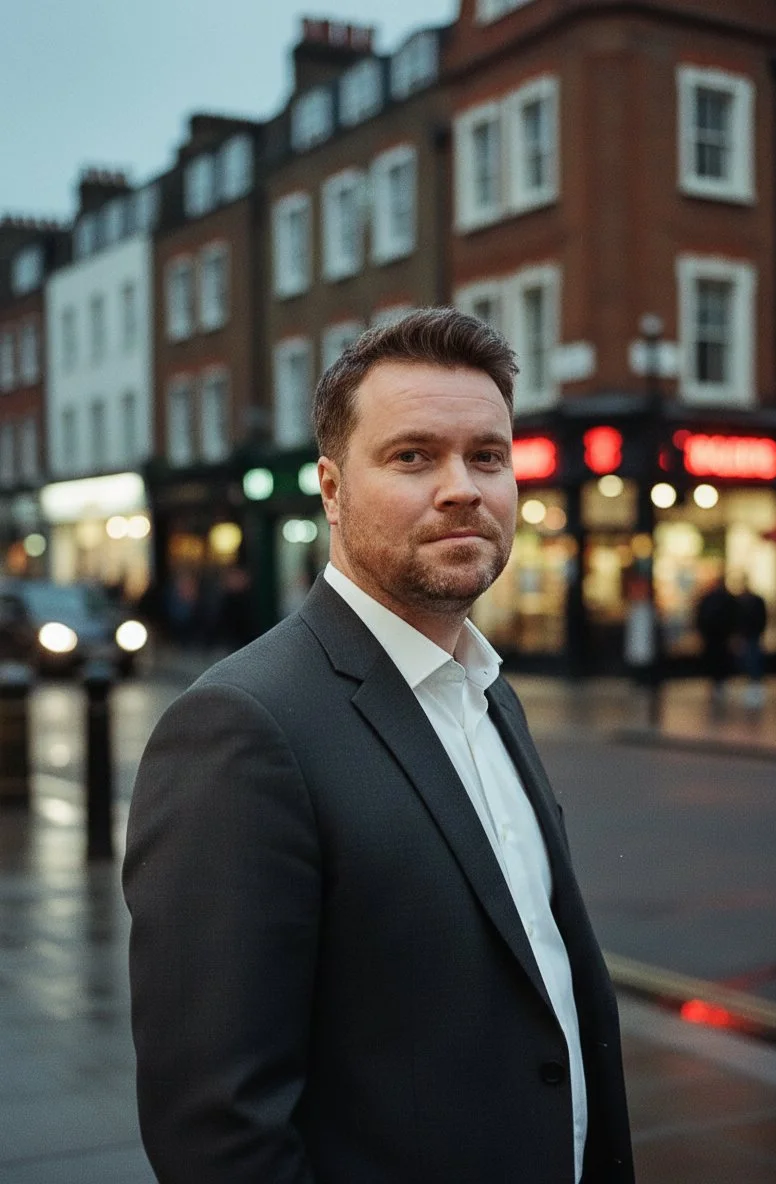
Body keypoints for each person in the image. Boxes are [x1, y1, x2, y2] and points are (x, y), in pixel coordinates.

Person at [123, 309, 634, 1184]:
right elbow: (219, 1130)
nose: (463, 487)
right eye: (412, 456)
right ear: (329, 487)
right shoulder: (241, 727)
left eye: (487, 456)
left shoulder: (488, 690)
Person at [695, 573, 737, 705]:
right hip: (717, 637)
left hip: (717, 637)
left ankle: (718, 683)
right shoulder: (723, 598)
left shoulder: (712, 599)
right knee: (719, 660)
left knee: (717, 659)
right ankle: (718, 683)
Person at [736, 581, 768, 708]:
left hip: (752, 634)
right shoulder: (746, 601)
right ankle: (754, 682)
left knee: (753, 657)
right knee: (750, 657)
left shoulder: (751, 601)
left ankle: (755, 682)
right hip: (750, 634)